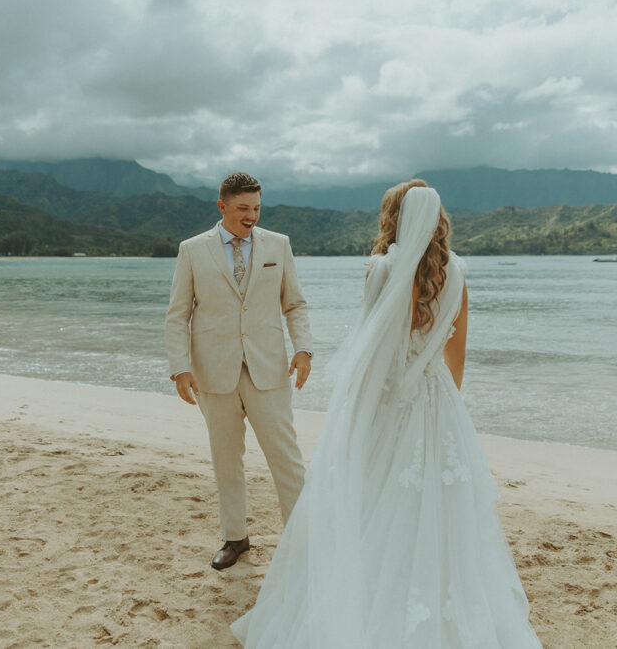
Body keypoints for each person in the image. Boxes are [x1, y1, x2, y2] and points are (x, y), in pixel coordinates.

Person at [232, 181, 543, 647]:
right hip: (436, 402)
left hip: (386, 397)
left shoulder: (380, 270)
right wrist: (437, 408)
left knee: (372, 500)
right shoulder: (456, 273)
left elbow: (371, 349)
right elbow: (455, 360)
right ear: (439, 219)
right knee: (441, 510)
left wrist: (367, 407)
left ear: (393, 217)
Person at [165, 172, 314, 570]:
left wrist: (303, 349)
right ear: (223, 207)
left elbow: (295, 305)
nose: (251, 216)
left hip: (268, 367)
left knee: (286, 458)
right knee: (226, 459)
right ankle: (235, 537)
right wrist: (180, 367)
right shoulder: (192, 250)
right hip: (213, 371)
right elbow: (178, 315)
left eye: (257, 208)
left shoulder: (277, 245)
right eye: (243, 209)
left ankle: (303, 539)